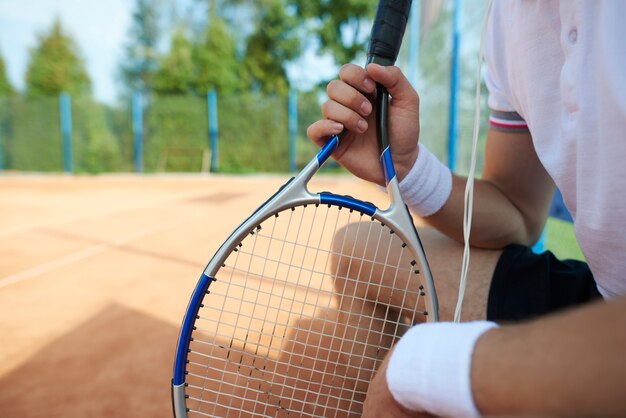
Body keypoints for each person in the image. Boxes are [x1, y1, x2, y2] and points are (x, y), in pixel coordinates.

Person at [306, 1, 626, 417]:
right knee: (359, 250)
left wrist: (437, 367)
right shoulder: (509, 20)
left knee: (407, 377)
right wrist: (406, 167)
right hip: (603, 300)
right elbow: (518, 214)